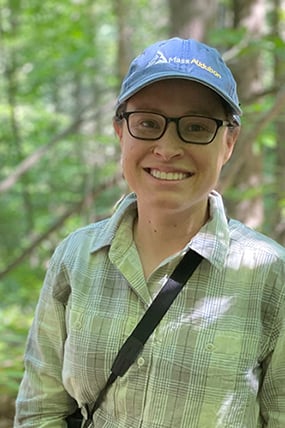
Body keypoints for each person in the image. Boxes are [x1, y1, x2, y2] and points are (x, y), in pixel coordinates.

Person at [14, 37, 285, 428]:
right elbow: (41, 411)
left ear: (229, 142)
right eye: (148, 124)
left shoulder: (270, 274)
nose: (168, 147)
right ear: (120, 132)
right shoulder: (75, 259)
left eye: (196, 126)